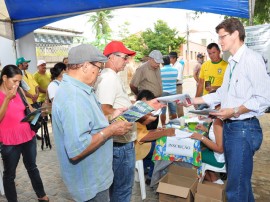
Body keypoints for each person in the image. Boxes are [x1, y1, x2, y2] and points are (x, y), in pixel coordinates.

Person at [184, 18, 270, 202]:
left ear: (236, 34)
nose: (220, 41)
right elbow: (223, 93)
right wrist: (193, 100)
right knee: (240, 185)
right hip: (232, 128)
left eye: (223, 37)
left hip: (244, 129)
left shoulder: (252, 60)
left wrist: (234, 110)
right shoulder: (232, 62)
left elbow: (264, 99)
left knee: (235, 190)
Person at [52, 44, 133, 202]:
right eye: (99, 67)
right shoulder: (74, 97)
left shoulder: (81, 90)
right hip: (90, 182)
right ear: (85, 66)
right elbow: (77, 149)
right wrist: (111, 130)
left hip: (95, 177)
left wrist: (112, 116)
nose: (100, 73)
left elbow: (90, 122)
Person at [94, 41, 138, 202]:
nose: (126, 61)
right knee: (122, 191)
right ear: (111, 57)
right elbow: (105, 110)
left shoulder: (110, 77)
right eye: (124, 57)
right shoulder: (108, 79)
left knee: (119, 190)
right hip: (119, 145)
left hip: (118, 143)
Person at [0, 65, 49, 202]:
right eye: (14, 81)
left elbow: (28, 108)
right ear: (4, 78)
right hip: (9, 141)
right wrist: (7, 99)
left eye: (19, 81)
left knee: (32, 167)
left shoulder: (20, 90)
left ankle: (41, 195)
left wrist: (38, 112)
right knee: (9, 175)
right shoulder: (3, 95)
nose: (17, 84)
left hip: (28, 136)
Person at [190, 104, 225, 184]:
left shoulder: (218, 122)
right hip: (222, 156)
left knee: (192, 154)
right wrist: (206, 130)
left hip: (219, 159)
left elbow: (220, 149)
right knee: (202, 149)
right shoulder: (220, 119)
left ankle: (211, 181)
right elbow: (218, 135)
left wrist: (202, 138)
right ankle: (213, 178)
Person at [130, 50, 164, 129]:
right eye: (156, 62)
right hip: (147, 102)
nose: (158, 64)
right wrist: (140, 97)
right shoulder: (142, 69)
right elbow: (132, 85)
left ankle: (153, 140)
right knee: (147, 126)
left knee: (155, 122)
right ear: (150, 59)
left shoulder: (157, 67)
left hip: (157, 100)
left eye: (159, 63)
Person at [160, 55, 178, 127]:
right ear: (169, 61)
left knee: (163, 110)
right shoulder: (175, 70)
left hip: (163, 92)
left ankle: (163, 126)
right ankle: (174, 125)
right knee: (173, 110)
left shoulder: (160, 71)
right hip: (173, 93)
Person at [169, 51, 184, 117]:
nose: (169, 59)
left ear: (174, 58)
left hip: (177, 87)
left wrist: (168, 83)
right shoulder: (171, 65)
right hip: (172, 87)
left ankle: (181, 120)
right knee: (171, 103)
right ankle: (172, 120)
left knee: (179, 104)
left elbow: (177, 78)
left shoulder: (179, 66)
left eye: (170, 58)